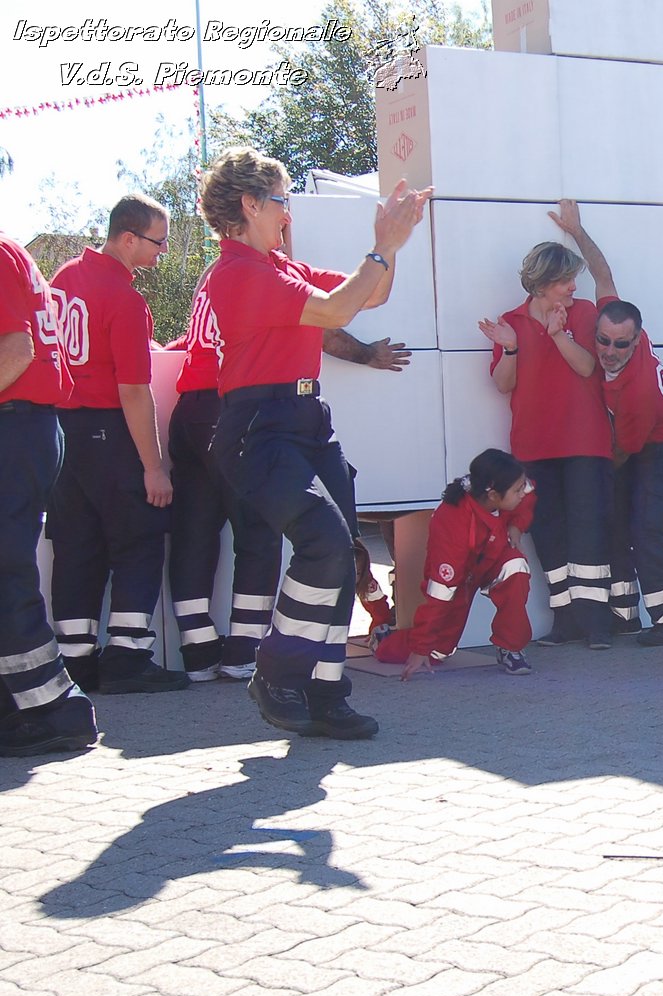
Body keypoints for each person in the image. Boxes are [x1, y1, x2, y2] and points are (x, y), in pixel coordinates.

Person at [201, 145, 431, 739]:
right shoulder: (235, 273)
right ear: (250, 205)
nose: (289, 214)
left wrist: (392, 245)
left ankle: (326, 693)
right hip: (260, 425)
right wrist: (383, 245)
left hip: (306, 419)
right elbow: (335, 310)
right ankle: (274, 673)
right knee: (323, 543)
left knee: (343, 556)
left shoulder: (279, 268)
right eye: (282, 200)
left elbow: (370, 295)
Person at [167, 257, 412, 682]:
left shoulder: (214, 273)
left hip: (190, 403)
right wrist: (368, 353)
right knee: (260, 531)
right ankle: (247, 649)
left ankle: (197, 650)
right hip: (240, 407)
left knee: (195, 530)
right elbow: (327, 325)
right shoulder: (265, 274)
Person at [46, 194, 189, 695]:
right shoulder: (125, 300)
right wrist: (154, 467)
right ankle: (129, 655)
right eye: (158, 241)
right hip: (107, 431)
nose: (162, 252)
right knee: (138, 537)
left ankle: (74, 661)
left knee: (75, 547)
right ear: (128, 238)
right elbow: (133, 390)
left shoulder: (63, 278)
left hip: (63, 434)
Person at [479, 200, 614, 650]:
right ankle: (565, 622)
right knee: (549, 533)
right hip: (533, 447)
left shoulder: (582, 315)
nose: (573, 288)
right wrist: (512, 349)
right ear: (541, 285)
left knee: (587, 530)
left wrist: (559, 336)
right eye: (564, 282)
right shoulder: (510, 323)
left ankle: (597, 625)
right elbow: (502, 386)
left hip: (585, 444)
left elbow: (588, 370)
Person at [0, 230, 99, 757]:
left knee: (6, 571)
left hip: (15, 425)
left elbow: (16, 349)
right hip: (28, 426)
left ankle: (54, 707)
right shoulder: (12, 253)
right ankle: (22, 707)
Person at [373, 448, 536, 677]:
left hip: (491, 559)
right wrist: (421, 648)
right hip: (458, 580)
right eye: (517, 490)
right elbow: (440, 593)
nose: (523, 492)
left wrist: (516, 525)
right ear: (492, 496)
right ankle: (383, 641)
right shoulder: (452, 522)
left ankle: (511, 647)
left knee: (516, 566)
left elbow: (528, 495)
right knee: (438, 652)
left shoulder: (502, 487)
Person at [595, 299, 663, 647]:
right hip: (651, 446)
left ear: (636, 341)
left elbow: (623, 451)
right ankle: (624, 615)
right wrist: (579, 240)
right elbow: (604, 279)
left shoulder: (637, 392)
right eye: (602, 340)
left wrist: (593, 475)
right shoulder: (626, 330)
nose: (609, 350)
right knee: (618, 522)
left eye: (620, 344)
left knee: (646, 530)